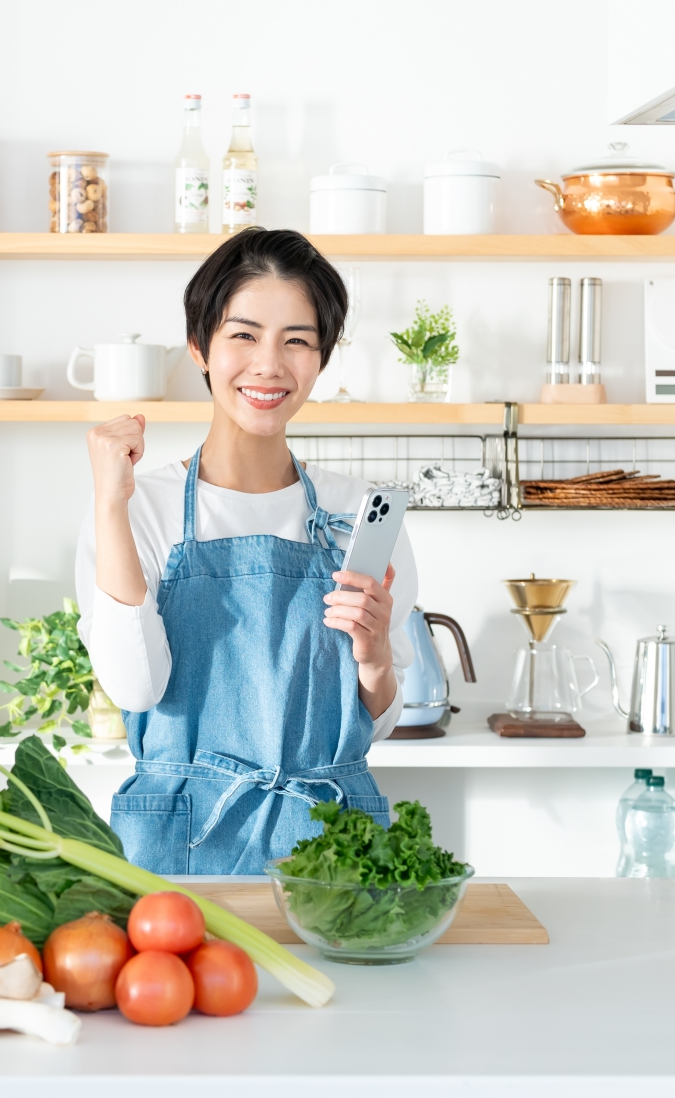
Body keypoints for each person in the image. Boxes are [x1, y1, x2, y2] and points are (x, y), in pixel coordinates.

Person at [74, 227, 418, 875]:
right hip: (182, 846)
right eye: (244, 335)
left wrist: (373, 657)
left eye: (298, 341)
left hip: (329, 846)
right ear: (200, 345)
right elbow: (134, 688)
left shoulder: (359, 513)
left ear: (322, 358)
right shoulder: (136, 506)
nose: (269, 364)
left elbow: (374, 725)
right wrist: (109, 503)